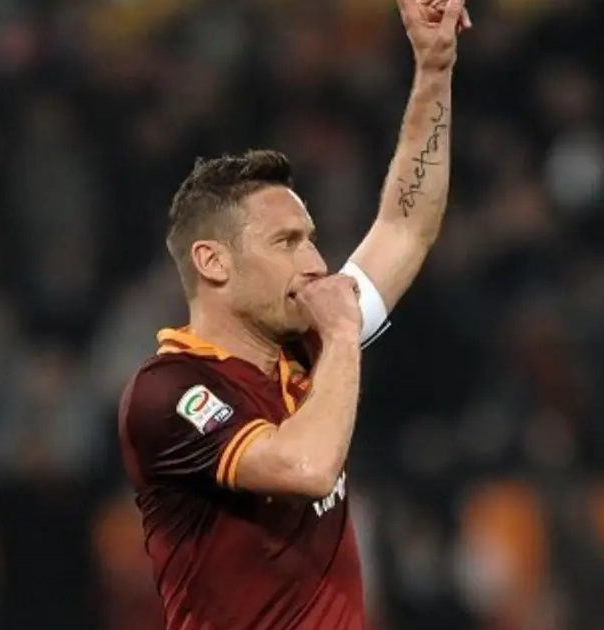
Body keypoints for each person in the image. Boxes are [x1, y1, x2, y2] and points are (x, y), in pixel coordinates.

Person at [115, 0, 468, 627]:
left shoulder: (307, 345)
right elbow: (305, 467)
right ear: (213, 262)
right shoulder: (169, 392)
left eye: (311, 238)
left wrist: (434, 66)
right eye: (287, 243)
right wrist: (342, 333)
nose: (316, 262)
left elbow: (405, 226)